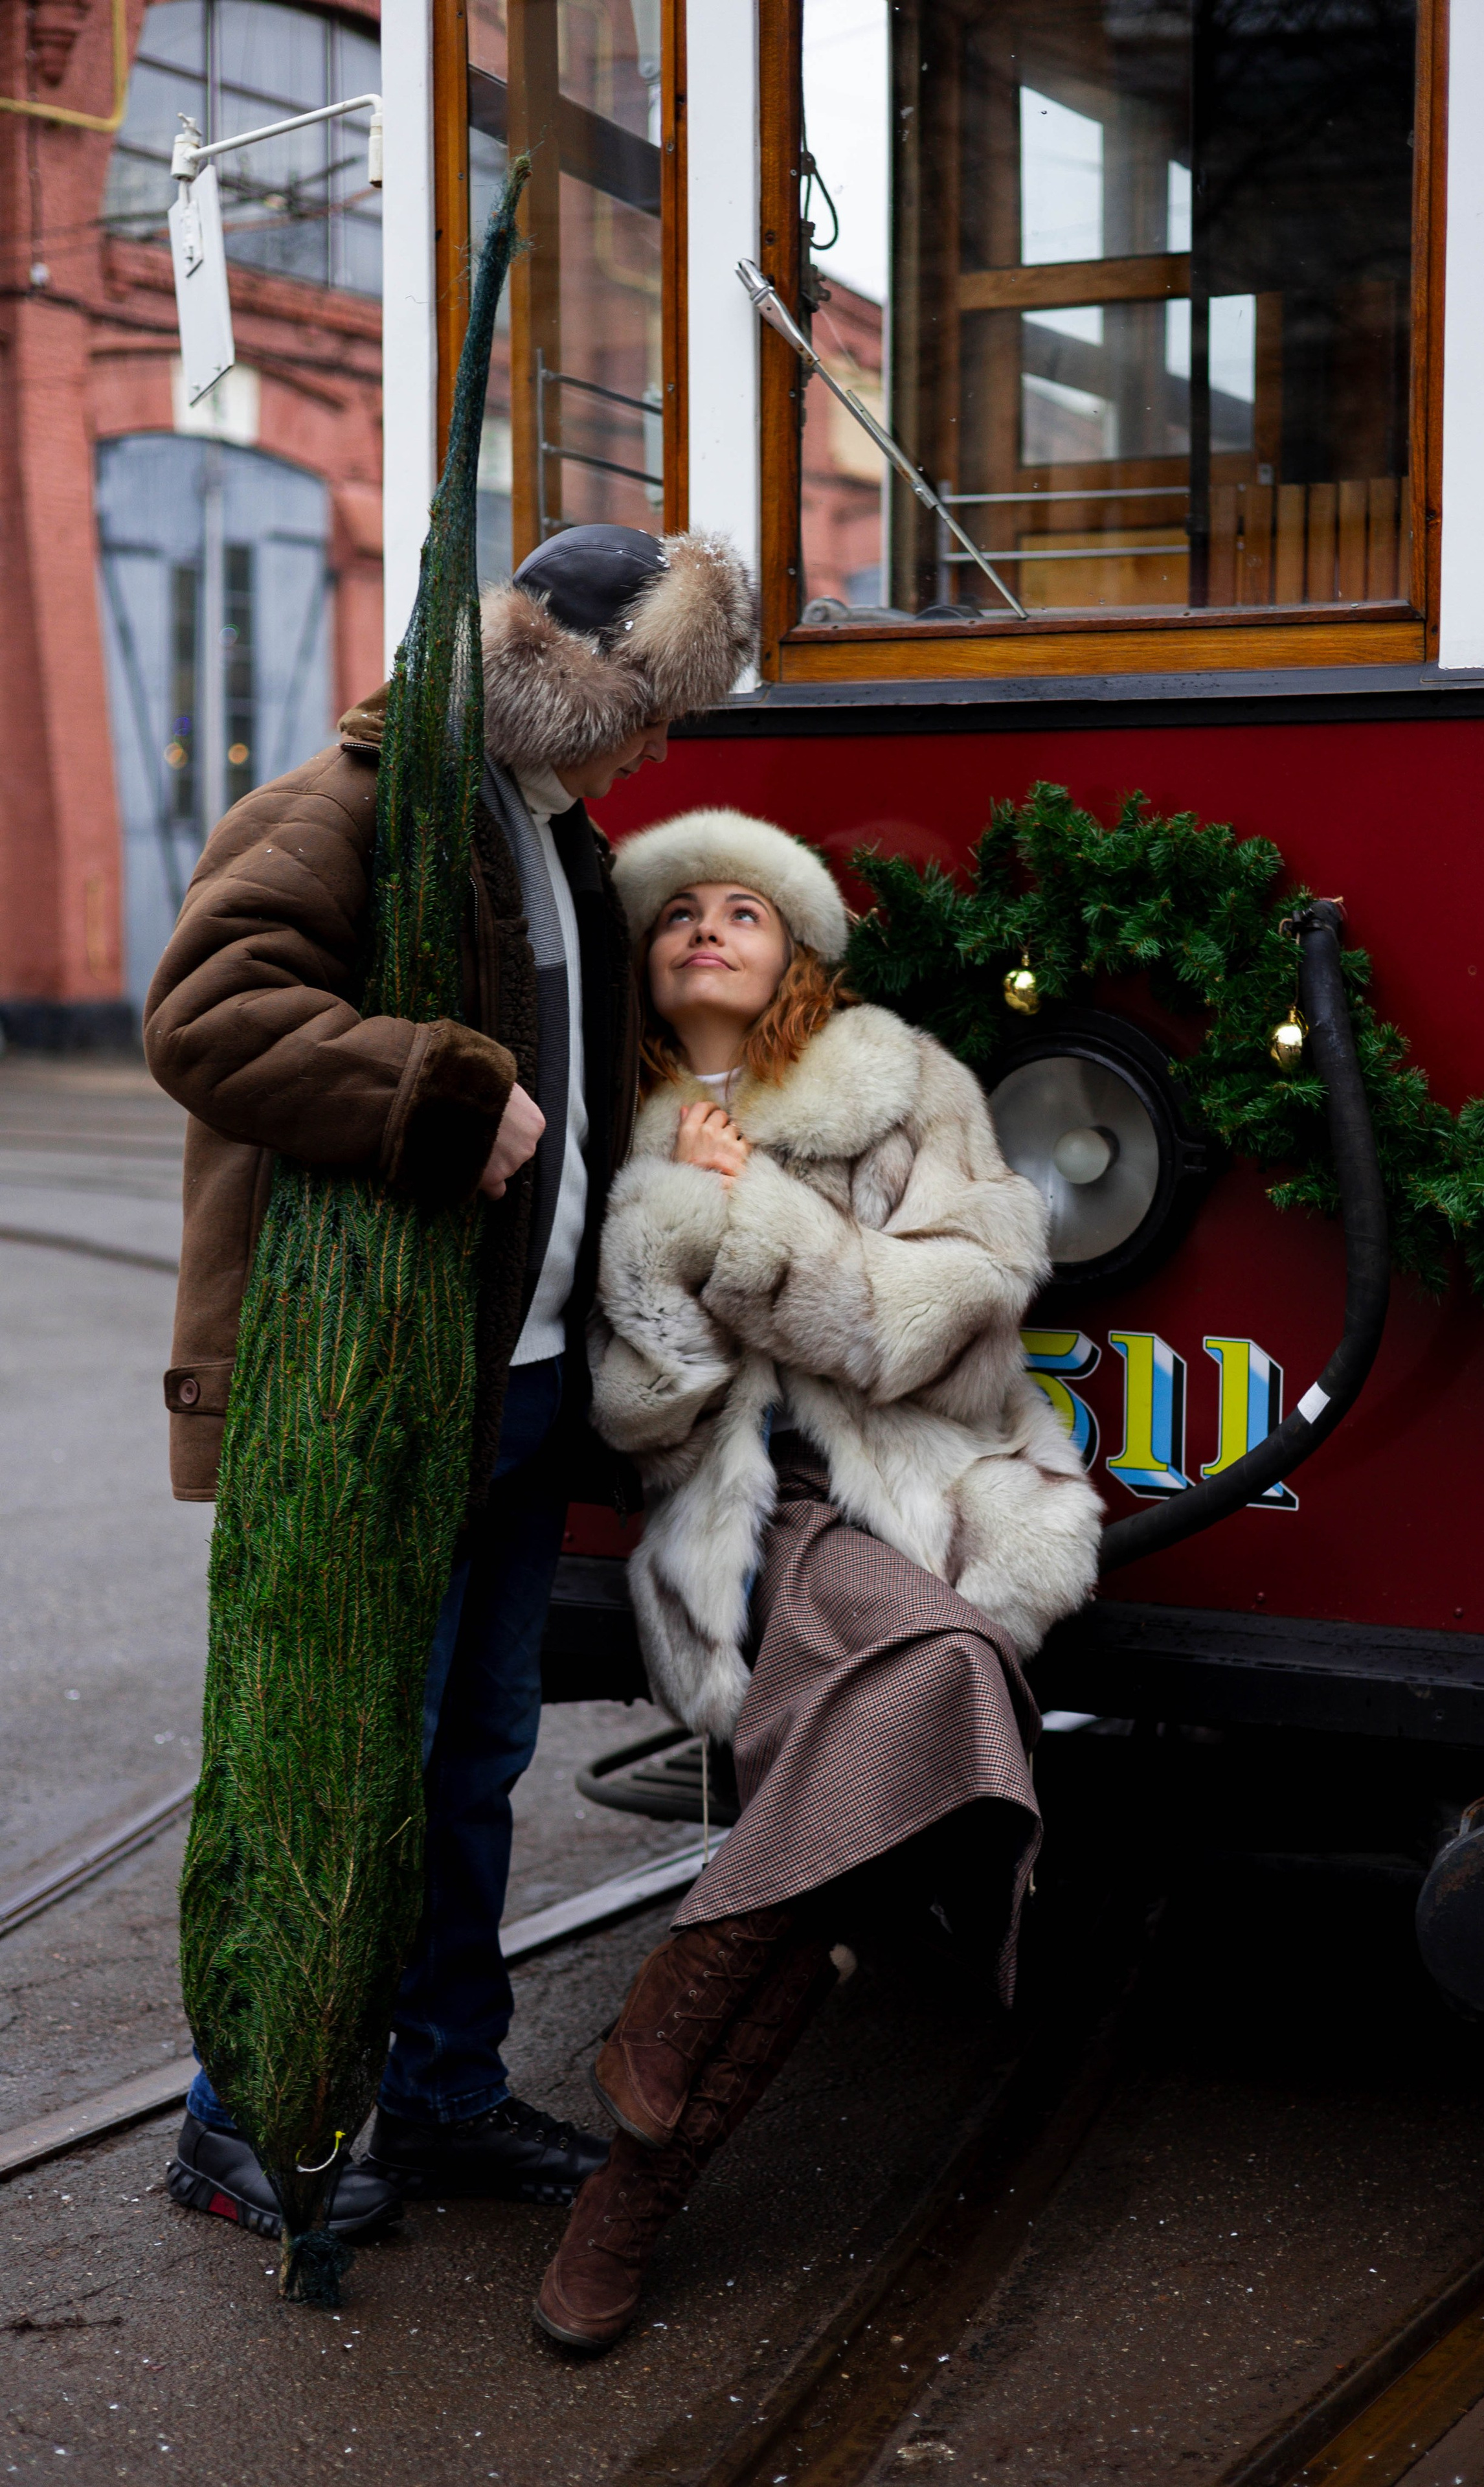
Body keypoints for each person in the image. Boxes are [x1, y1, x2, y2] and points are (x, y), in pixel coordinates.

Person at [143, 524, 756, 2245]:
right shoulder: (352, 812)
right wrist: (427, 1087)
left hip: (522, 1387)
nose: (660, 749)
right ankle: (239, 2120)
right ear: (560, 676)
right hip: (371, 1407)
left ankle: (438, 2091)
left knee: (469, 1764)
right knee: (332, 1756)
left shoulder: (561, 838)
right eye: (651, 708)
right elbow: (203, 1010)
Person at [532, 811, 1103, 2350]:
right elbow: (639, 1412)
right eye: (676, 916)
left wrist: (760, 1222)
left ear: (794, 952)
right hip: (735, 1530)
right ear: (644, 961)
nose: (705, 931)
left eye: (745, 910)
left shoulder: (899, 1082)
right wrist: (680, 1224)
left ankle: (641, 2143)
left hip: (911, 1489)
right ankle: (635, 2176)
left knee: (933, 1674)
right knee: (873, 1793)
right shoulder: (615, 1131)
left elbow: (955, 1316)